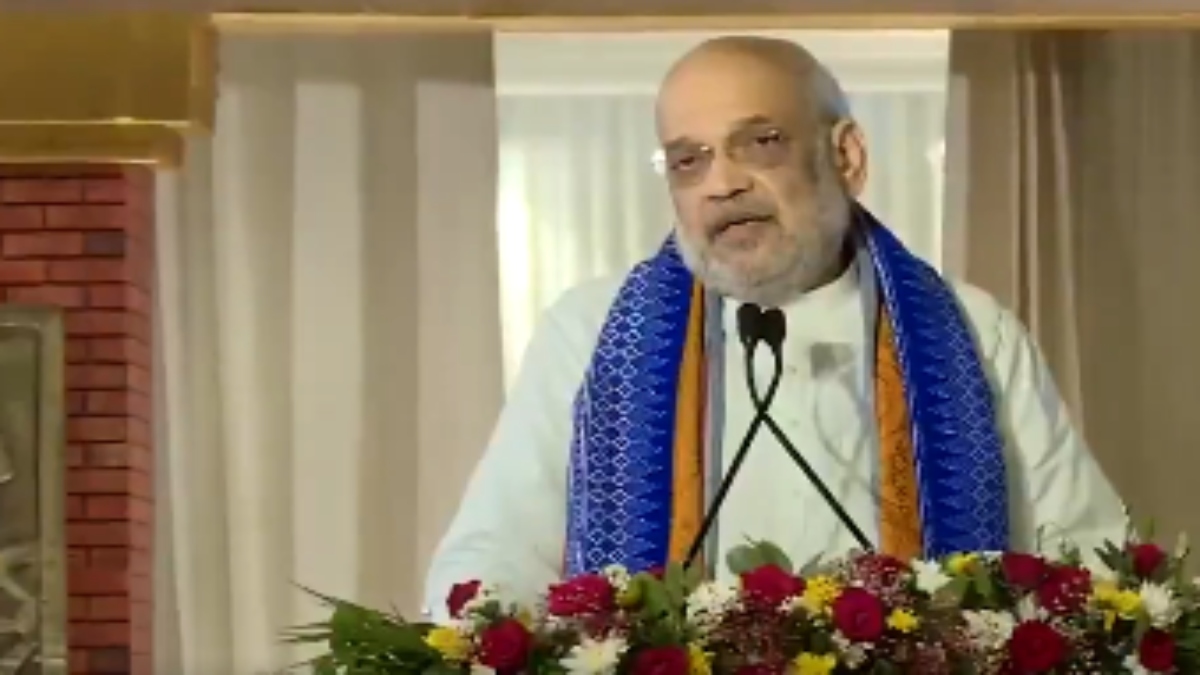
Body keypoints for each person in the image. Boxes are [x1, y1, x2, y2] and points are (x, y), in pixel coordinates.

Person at [423, 36, 1127, 614]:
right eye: (687, 159)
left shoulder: (972, 330)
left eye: (759, 142)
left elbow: (1087, 563)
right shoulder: (591, 331)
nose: (719, 183)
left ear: (846, 156)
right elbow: (495, 560)